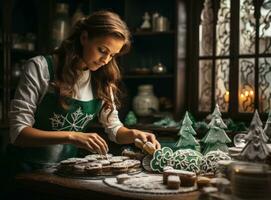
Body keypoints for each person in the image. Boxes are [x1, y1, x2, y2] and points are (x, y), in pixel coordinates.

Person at [8, 10, 160, 170]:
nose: (106, 60)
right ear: (84, 38)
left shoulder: (102, 78)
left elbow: (114, 129)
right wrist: (72, 136)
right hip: (23, 170)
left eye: (112, 55)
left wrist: (135, 134)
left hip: (64, 172)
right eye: (102, 50)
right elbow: (18, 134)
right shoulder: (41, 67)